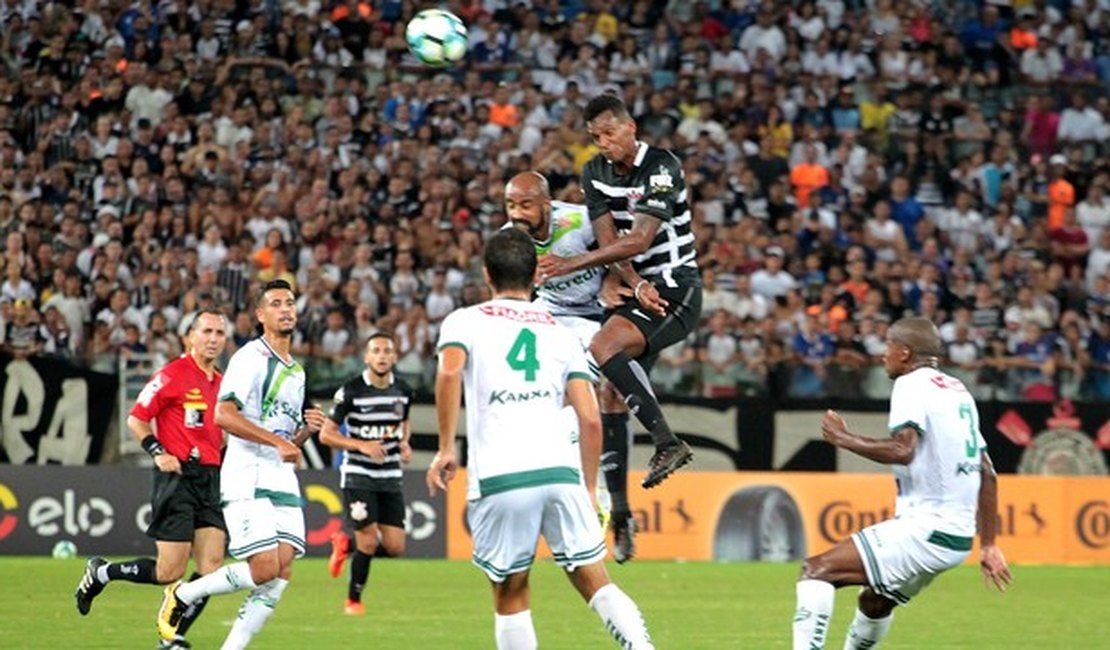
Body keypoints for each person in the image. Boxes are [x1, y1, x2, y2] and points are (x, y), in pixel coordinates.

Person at [427, 228, 654, 649]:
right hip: (560, 471)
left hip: (502, 474)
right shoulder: (560, 332)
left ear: (486, 275)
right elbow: (589, 417)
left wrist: (444, 448)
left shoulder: (464, 321)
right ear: (536, 276)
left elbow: (449, 372)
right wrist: (588, 487)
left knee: (511, 592)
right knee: (593, 580)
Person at [791, 317, 1012, 649]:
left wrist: (844, 438)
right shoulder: (957, 390)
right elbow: (987, 472)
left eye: (888, 346)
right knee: (875, 603)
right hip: (956, 538)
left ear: (905, 352)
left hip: (927, 529)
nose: (883, 355)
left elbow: (902, 450)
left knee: (816, 571)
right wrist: (990, 544)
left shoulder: (911, 385)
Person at [537, 93, 699, 490]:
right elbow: (609, 240)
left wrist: (571, 264)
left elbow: (640, 239)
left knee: (603, 347)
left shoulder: (662, 167)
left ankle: (667, 442)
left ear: (631, 128)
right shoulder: (594, 171)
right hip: (638, 289)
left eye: (609, 133)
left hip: (676, 285)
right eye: (596, 137)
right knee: (610, 393)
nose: (603, 143)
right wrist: (633, 282)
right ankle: (622, 514)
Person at [156, 280, 327, 649]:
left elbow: (282, 438)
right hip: (247, 473)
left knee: (280, 572)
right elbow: (224, 415)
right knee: (263, 567)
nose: (286, 309)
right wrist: (279, 441)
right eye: (276, 303)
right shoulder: (250, 357)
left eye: (290, 303)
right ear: (261, 315)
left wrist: (302, 435)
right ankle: (184, 593)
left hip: (280, 476)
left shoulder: (296, 371)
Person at [74, 309, 229, 650]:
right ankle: (102, 573)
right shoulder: (172, 374)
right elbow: (137, 418)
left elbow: (220, 433)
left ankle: (171, 635)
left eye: (219, 333)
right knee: (169, 571)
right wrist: (158, 451)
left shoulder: (222, 383)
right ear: (190, 336)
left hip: (210, 478)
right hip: (176, 478)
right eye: (207, 331)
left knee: (212, 570)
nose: (213, 339)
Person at [504, 170, 637, 562]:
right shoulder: (509, 237)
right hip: (548, 313)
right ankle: (571, 493)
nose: (517, 213)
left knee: (605, 397)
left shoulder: (578, 221)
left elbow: (620, 251)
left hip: (594, 314)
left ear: (546, 204)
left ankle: (616, 508)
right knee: (546, 397)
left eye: (526, 205)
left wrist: (613, 278)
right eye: (511, 205)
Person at [319, 332, 414, 615]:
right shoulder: (351, 391)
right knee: (369, 541)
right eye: (377, 351)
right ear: (367, 357)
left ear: (395, 357)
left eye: (387, 351)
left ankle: (344, 544)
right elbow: (327, 435)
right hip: (359, 475)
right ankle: (353, 601)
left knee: (396, 546)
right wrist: (361, 445)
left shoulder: (405, 391)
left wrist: (405, 443)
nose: (382, 356)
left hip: (390, 477)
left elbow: (403, 422)